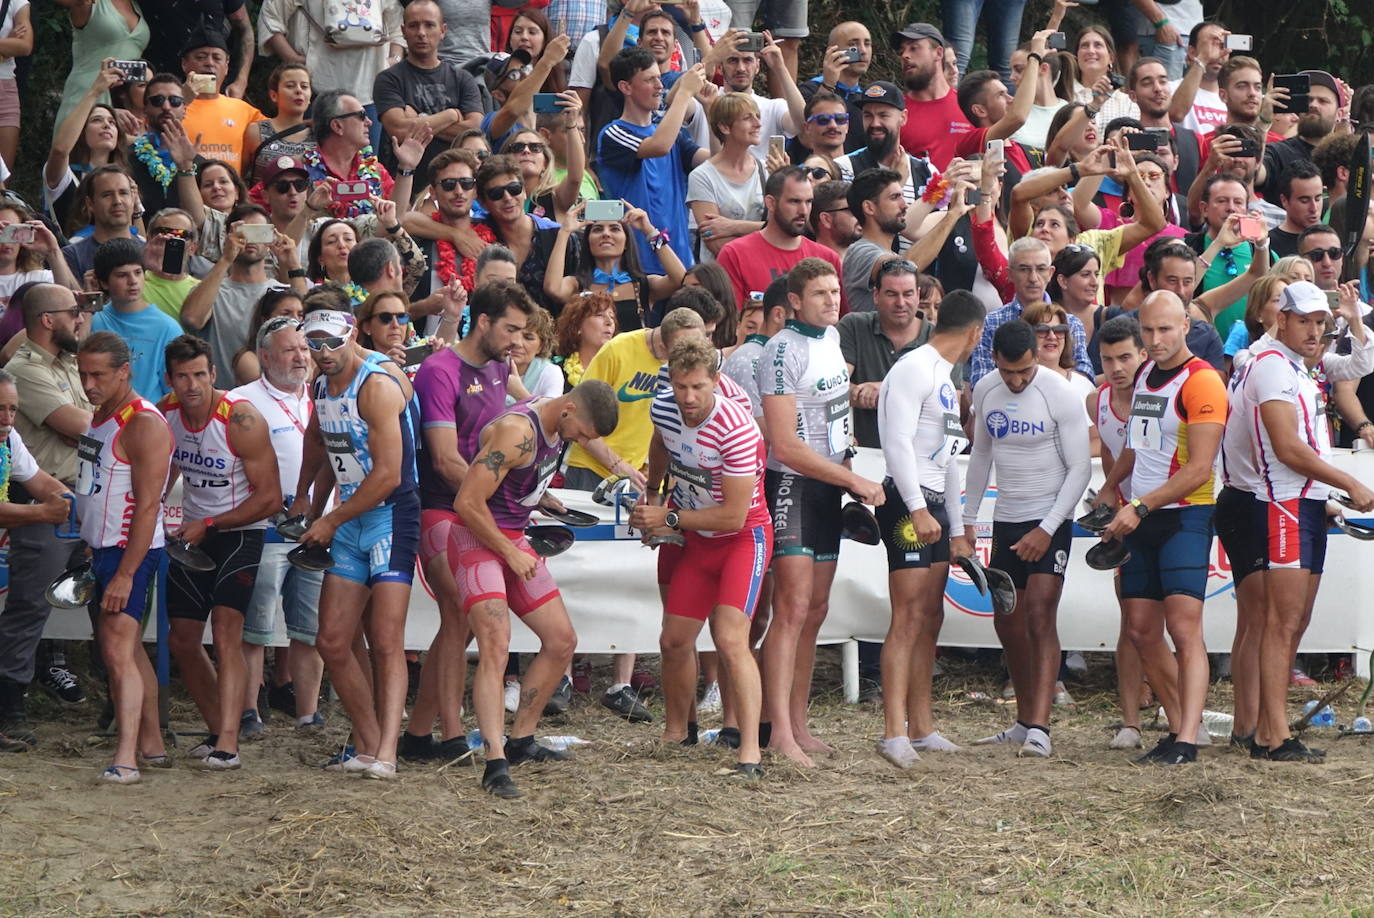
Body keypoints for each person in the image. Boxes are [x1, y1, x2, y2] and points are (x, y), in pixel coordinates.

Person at [452, 380, 619, 798]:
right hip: (480, 540)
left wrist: (538, 497)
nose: (580, 442)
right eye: (582, 433)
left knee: (562, 640)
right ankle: (494, 762)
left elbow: (514, 483)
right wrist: (509, 551)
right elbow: (468, 503)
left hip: (512, 538)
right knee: (495, 644)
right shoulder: (518, 432)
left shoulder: (552, 425)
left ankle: (521, 739)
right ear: (568, 411)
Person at [1231, 282, 1374, 761]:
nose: (1315, 332)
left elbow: (1359, 364)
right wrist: (1348, 482)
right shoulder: (1271, 368)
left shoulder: (1293, 364)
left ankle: (1273, 728)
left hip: (1305, 500)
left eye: (1320, 323)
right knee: (1280, 621)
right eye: (1305, 322)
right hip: (1285, 501)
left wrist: (1353, 321)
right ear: (1283, 319)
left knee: (1294, 621)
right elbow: (1288, 450)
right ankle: (1272, 735)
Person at [757, 258, 883, 767]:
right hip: (792, 484)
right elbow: (784, 444)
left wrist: (847, 460)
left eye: (835, 291)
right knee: (790, 610)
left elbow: (834, 415)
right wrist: (852, 478)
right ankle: (777, 731)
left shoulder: (831, 342)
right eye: (820, 294)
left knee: (815, 611)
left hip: (829, 484)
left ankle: (798, 723)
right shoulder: (781, 350)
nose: (832, 300)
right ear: (795, 302)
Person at [403, 280, 532, 762]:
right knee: (460, 613)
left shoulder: (501, 367)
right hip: (441, 505)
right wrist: (490, 496)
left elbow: (526, 420)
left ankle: (420, 732)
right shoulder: (439, 371)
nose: (518, 341)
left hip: (477, 505)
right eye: (511, 330)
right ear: (483, 322)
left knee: (461, 620)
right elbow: (443, 458)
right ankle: (453, 736)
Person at [1099, 290, 1227, 766]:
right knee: (1139, 629)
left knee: (1184, 628)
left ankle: (1188, 739)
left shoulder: (1204, 382)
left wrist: (1141, 505)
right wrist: (1110, 487)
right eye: (1148, 330)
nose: (1155, 340)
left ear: (1185, 328)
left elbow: (1200, 469)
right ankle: (1177, 727)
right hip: (1142, 511)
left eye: (1164, 330)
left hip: (1184, 514)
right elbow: (1135, 444)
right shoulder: (1148, 375)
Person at [633, 334, 771, 777]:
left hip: (742, 537)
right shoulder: (664, 407)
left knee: (731, 638)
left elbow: (732, 516)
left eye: (698, 387)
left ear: (715, 380)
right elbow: (660, 443)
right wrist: (654, 491)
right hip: (698, 536)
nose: (688, 397)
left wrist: (666, 519)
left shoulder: (736, 427)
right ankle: (678, 732)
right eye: (680, 386)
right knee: (673, 640)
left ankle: (750, 751)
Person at [292, 308, 419, 780]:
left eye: (331, 343)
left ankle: (388, 749)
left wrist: (329, 519)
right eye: (314, 344)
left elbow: (388, 473)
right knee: (332, 639)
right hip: (349, 518)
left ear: (351, 337)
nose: (323, 353)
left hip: (390, 517)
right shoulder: (322, 387)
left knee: (387, 641)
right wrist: (308, 499)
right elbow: (324, 443)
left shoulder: (376, 386)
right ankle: (367, 741)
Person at [963, 319, 1091, 758]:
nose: (1016, 381)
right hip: (1007, 520)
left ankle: (1041, 725)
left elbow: (1080, 469)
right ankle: (1021, 720)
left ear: (1037, 358)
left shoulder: (1060, 393)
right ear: (994, 360)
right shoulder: (985, 388)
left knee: (1040, 615)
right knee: (1008, 621)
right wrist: (967, 517)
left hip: (1049, 518)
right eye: (1008, 372)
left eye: (1025, 372)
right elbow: (981, 454)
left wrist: (1048, 527)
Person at [872, 288, 985, 767]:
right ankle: (892, 731)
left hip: (937, 502)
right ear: (977, 333)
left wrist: (957, 527)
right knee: (908, 617)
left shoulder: (947, 376)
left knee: (930, 617)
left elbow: (953, 457)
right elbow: (894, 441)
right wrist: (918, 506)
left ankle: (921, 726)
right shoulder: (913, 368)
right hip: (907, 500)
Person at [160, 336, 281, 770]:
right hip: (195, 532)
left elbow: (270, 498)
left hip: (241, 531)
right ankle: (216, 728)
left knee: (228, 632)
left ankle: (229, 743)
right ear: (170, 379)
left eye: (199, 375)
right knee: (183, 639)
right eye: (181, 377)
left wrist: (210, 523)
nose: (191, 385)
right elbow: (163, 465)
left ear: (214, 375)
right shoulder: (167, 412)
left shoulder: (240, 418)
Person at [74, 331, 174, 784]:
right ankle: (150, 745)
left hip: (127, 550)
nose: (89, 383)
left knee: (116, 652)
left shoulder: (144, 424)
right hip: (105, 546)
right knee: (128, 650)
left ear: (123, 372)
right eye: (83, 374)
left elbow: (149, 505)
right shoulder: (103, 415)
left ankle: (126, 757)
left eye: (98, 374)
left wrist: (126, 573)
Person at [0, 286, 92, 752]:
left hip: (66, 497)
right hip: (41, 507)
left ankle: (119, 704)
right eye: (75, 312)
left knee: (104, 599)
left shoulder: (69, 365)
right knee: (31, 605)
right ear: (48, 320)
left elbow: (42, 472)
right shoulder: (24, 371)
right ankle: (9, 707)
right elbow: (86, 427)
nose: (82, 319)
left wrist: (79, 506)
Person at [233, 315, 328, 733]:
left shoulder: (322, 396)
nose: (301, 357)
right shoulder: (242, 400)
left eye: (304, 349)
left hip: (314, 529)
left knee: (309, 629)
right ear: (264, 355)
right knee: (254, 629)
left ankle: (308, 714)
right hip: (265, 528)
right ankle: (249, 710)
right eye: (290, 349)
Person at [1088, 315, 1152, 750]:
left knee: (1172, 624)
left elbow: (1145, 454)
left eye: (1125, 357)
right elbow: (1112, 454)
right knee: (1131, 622)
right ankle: (1131, 721)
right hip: (1126, 517)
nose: (1117, 367)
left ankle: (1176, 708)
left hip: (1162, 511)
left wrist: (1114, 491)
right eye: (1108, 359)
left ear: (1142, 355)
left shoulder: (1156, 391)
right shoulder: (1096, 400)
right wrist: (1112, 501)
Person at [597, 49, 709, 275]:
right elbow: (659, 147)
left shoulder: (668, 134)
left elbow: (715, 161)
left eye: (659, 77)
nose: (659, 86)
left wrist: (710, 107)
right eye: (650, 79)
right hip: (637, 264)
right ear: (626, 87)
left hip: (679, 259)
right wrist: (684, 93)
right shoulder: (614, 132)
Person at [255, 1, 401, 154]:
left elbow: (396, 23)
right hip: (313, 92)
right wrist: (293, 60)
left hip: (369, 93)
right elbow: (271, 16)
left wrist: (393, 61)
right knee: (309, 166)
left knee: (365, 170)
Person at [181, 206, 300, 382]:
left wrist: (294, 265)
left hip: (275, 400)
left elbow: (307, 326)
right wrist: (226, 258)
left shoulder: (280, 293)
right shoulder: (212, 291)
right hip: (225, 402)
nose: (250, 240)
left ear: (270, 239)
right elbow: (191, 319)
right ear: (228, 237)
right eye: (244, 232)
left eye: (259, 232)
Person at [373, 0, 483, 181]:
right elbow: (398, 129)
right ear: (403, 31)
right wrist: (450, 115)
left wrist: (418, 120)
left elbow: (473, 130)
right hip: (406, 182)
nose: (421, 33)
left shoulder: (462, 78)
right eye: (413, 26)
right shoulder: (388, 79)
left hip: (458, 183)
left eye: (429, 25)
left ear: (442, 31)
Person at [716, 165, 844, 313]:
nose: (803, 211)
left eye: (808, 202)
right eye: (794, 201)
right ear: (770, 203)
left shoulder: (827, 258)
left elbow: (840, 321)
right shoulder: (735, 254)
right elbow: (731, 324)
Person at [969, 237, 1094, 386]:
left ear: (1050, 273)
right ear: (1010, 274)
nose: (1033, 278)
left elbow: (1085, 377)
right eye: (1024, 269)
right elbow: (980, 380)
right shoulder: (991, 323)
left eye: (1041, 269)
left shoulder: (1071, 323)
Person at [545, 203, 686, 330]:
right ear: (588, 242)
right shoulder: (577, 285)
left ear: (626, 243)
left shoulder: (643, 285)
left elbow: (680, 278)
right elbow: (553, 288)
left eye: (615, 229)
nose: (606, 234)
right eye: (597, 229)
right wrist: (564, 232)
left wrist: (649, 231)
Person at [839, 259, 932, 448]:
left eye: (908, 294)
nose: (900, 303)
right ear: (876, 295)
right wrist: (856, 392)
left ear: (918, 295)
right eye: (891, 294)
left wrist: (888, 390)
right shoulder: (854, 326)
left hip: (919, 459)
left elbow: (950, 403)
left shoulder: (937, 337)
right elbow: (834, 388)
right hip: (861, 453)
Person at [89, 239, 185, 401]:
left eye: (138, 272)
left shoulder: (167, 327)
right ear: (104, 282)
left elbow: (174, 391)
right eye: (122, 275)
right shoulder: (92, 320)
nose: (133, 281)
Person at [44, 63, 135, 234]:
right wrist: (95, 91)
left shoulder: (126, 182)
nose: (106, 125)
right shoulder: (67, 176)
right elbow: (60, 150)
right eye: (97, 120)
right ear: (80, 132)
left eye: (112, 122)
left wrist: (135, 209)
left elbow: (136, 239)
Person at [688, 93, 767, 265]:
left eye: (758, 117)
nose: (758, 124)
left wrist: (732, 226)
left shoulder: (767, 170)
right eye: (748, 118)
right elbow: (714, 242)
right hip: (721, 277)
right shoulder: (702, 176)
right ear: (725, 127)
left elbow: (783, 228)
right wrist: (764, 232)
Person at [52, 0, 149, 136]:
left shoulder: (137, 6)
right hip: (86, 94)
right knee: (74, 154)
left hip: (121, 103)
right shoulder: (92, 3)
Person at [180, 27, 266, 173]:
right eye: (201, 57)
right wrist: (181, 101)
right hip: (184, 190)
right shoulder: (168, 106)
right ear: (184, 64)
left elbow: (281, 130)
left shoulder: (243, 110)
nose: (209, 63)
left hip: (230, 192)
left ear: (226, 67)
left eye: (217, 58)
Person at [301, 90, 395, 219]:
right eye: (361, 115)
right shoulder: (300, 170)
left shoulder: (375, 170)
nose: (369, 122)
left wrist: (406, 168)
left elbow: (399, 217)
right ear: (337, 126)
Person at [128, 72, 207, 220]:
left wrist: (186, 166)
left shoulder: (201, 164)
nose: (166, 107)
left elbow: (200, 223)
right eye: (157, 100)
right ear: (145, 108)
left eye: (175, 101)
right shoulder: (124, 157)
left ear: (184, 109)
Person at [892, 23, 971, 170]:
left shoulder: (969, 106)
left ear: (939, 53)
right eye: (901, 51)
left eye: (914, 48)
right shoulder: (895, 112)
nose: (905, 55)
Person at [798, 22, 871, 155]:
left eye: (867, 43)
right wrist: (828, 83)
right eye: (853, 44)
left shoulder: (867, 100)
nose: (863, 51)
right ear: (833, 51)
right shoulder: (808, 90)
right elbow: (806, 137)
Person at [61, 166, 139, 280]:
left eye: (123, 193)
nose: (117, 201)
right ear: (90, 203)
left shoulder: (149, 253)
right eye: (107, 195)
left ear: (133, 199)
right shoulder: (72, 256)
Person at [243, 65, 314, 184]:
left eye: (304, 86)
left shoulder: (319, 135)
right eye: (290, 86)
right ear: (274, 95)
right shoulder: (257, 131)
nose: (299, 90)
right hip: (263, 201)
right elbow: (240, 177)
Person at [0, 202, 80, 309]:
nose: (6, 241)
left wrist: (53, 251)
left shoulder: (39, 278)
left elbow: (70, 304)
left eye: (13, 231)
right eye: (1, 232)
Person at [554, 290, 617, 389]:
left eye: (612, 316)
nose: (609, 322)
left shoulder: (620, 372)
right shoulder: (555, 372)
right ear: (577, 325)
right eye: (599, 315)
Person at [1268, 162, 1324, 259]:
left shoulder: (1330, 240)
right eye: (1304, 201)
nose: (1314, 208)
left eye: (1318, 199)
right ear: (1284, 200)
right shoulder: (1269, 245)